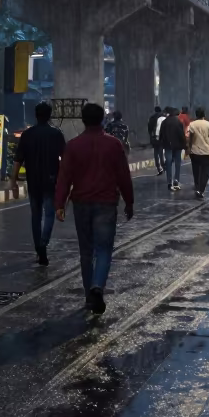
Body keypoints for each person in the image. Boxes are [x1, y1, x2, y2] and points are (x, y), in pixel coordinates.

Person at [55, 103, 134, 315]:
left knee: (86, 251)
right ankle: (97, 286)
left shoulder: (73, 145)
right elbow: (123, 176)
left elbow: (64, 177)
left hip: (81, 203)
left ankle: (89, 295)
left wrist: (59, 203)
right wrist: (129, 201)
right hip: (106, 203)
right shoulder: (114, 145)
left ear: (83, 120)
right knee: (104, 249)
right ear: (102, 120)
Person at [11, 101, 65, 267]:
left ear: (36, 115)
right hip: (51, 180)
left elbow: (18, 159)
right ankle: (43, 244)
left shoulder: (27, 135)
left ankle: (38, 249)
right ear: (50, 116)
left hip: (33, 181)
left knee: (36, 216)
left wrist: (13, 181)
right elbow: (65, 160)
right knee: (49, 214)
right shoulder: (56, 134)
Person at [187, 108, 209, 199]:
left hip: (194, 152)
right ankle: (201, 190)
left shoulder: (191, 124)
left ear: (196, 115)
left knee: (196, 171)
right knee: (205, 172)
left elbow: (189, 138)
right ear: (204, 114)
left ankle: (197, 187)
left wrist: (189, 148)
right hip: (206, 152)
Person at [159, 107, 186, 191]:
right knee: (177, 163)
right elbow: (181, 135)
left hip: (167, 146)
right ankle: (176, 180)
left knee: (168, 163)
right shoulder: (178, 122)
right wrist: (184, 145)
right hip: (177, 146)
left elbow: (161, 134)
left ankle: (169, 182)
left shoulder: (164, 122)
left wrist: (162, 143)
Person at [148, 105, 165, 176]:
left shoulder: (152, 118)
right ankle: (163, 166)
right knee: (161, 152)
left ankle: (158, 168)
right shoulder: (163, 117)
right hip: (161, 137)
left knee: (156, 152)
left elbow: (149, 128)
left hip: (154, 138)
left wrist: (151, 136)